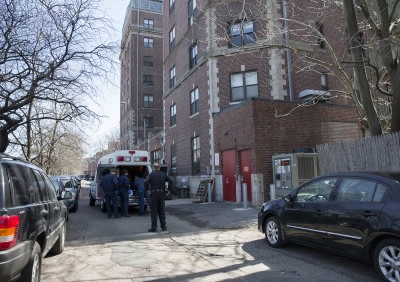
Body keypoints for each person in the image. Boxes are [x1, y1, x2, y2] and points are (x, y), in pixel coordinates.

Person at [144, 163, 173, 232]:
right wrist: (169, 190)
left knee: (154, 211)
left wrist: (147, 190)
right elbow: (171, 181)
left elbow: (145, 182)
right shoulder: (163, 174)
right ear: (159, 168)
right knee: (162, 210)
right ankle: (163, 226)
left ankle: (154, 227)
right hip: (162, 193)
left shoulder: (151, 175)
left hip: (153, 194)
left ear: (153, 168)